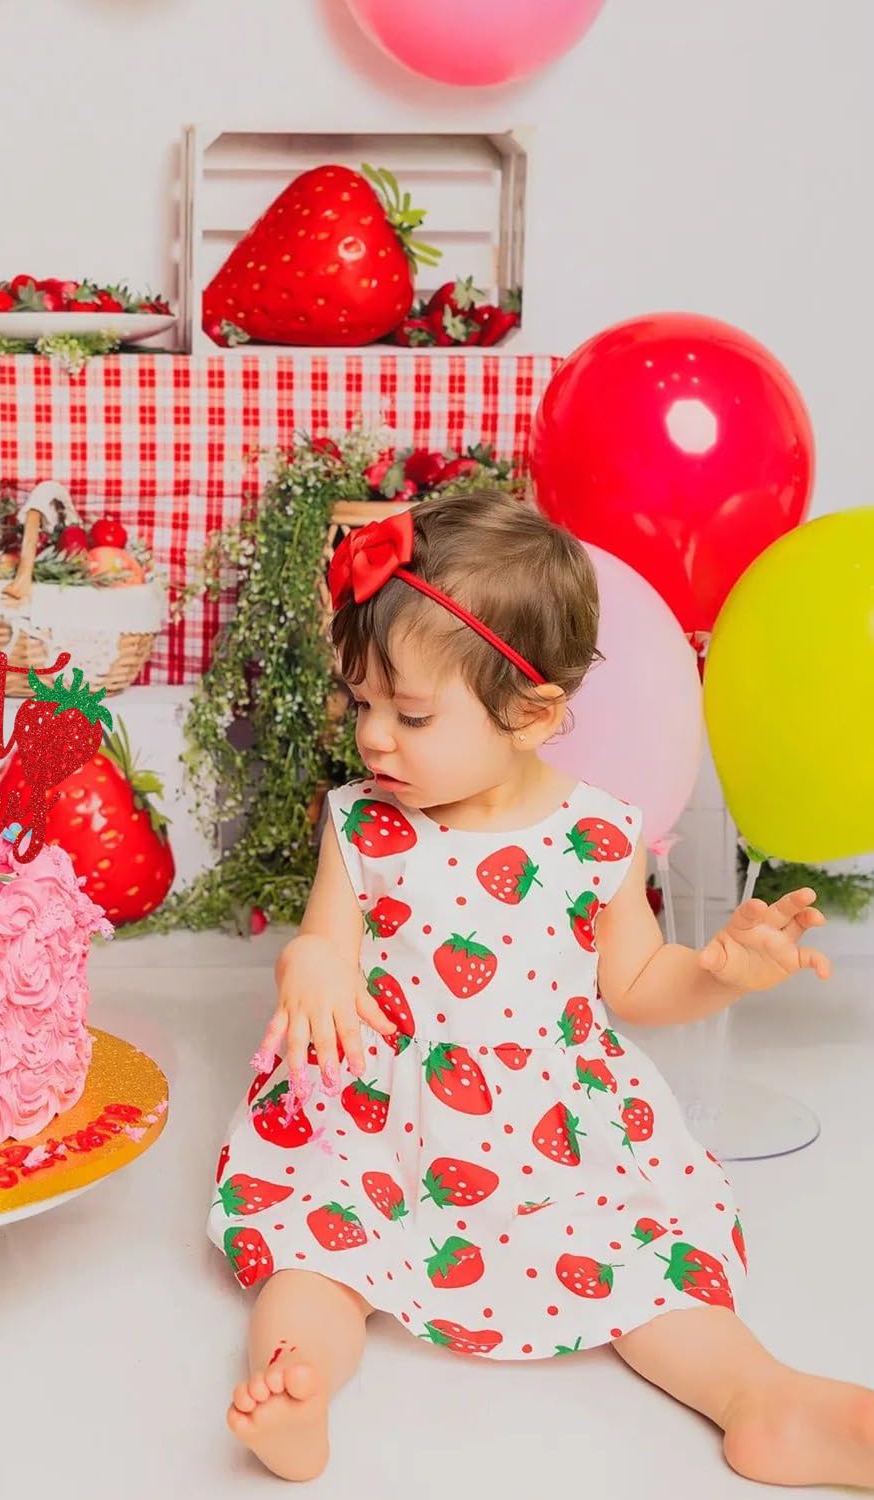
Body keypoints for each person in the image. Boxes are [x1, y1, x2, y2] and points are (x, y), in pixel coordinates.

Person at [208, 491, 872, 1486]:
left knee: (648, 1267)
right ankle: (296, 1389)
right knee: (319, 1252)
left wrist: (717, 974)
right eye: (360, 705)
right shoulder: (363, 826)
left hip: (554, 1127)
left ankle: (762, 1398)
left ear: (532, 712)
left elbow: (640, 985)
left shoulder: (598, 834)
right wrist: (310, 963)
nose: (374, 739)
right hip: (384, 1123)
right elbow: (326, 943)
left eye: (412, 712)